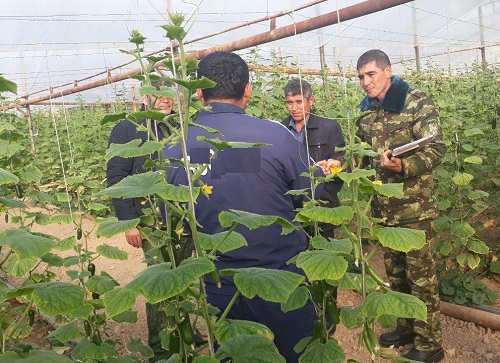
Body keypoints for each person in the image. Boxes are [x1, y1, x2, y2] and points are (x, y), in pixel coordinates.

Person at [163, 51, 328, 362]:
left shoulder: (178, 145)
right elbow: (308, 193)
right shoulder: (274, 136)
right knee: (294, 355)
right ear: (248, 89)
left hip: (216, 285)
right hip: (279, 280)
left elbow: (170, 217)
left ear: (198, 93)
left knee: (233, 355)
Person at [355, 49, 446, 363]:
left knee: (421, 278)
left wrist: (403, 167)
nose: (366, 82)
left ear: (388, 71)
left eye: (371, 74)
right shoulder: (366, 114)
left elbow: (436, 149)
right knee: (396, 276)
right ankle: (406, 328)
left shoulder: (416, 102)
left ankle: (430, 343)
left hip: (414, 208)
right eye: (361, 77)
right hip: (384, 209)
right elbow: (360, 155)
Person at [106, 81, 192, 362]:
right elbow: (117, 177)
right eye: (158, 95)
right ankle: (160, 345)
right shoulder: (127, 128)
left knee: (183, 277)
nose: (165, 101)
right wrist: (129, 221)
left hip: (181, 218)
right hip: (151, 220)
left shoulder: (175, 127)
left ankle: (185, 330)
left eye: (170, 96)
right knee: (160, 281)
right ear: (144, 97)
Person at [282, 78, 345, 239]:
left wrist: (323, 196)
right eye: (289, 102)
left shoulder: (329, 127)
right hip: (291, 208)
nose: (294, 108)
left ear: (311, 100)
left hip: (322, 204)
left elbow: (342, 158)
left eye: (299, 102)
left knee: (323, 252)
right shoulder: (280, 129)